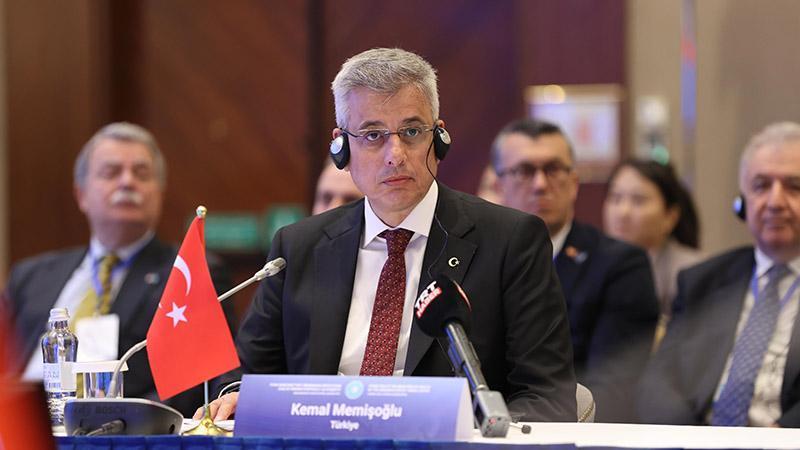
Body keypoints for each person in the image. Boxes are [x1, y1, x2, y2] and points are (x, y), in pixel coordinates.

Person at [200, 48, 577, 422]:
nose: (395, 155)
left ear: (439, 138)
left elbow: (546, 396)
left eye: (411, 132)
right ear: (341, 146)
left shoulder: (510, 241)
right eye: (372, 135)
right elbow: (246, 376)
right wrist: (233, 397)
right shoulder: (298, 247)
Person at [1, 122, 235, 417]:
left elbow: (189, 385)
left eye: (141, 173)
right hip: (18, 422)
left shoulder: (190, 273)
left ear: (159, 192)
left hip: (113, 429)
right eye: (111, 172)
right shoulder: (31, 276)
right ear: (81, 194)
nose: (127, 182)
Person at [491, 118, 659, 422]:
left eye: (553, 170)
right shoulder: (477, 261)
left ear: (574, 183)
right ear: (498, 186)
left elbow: (613, 388)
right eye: (524, 171)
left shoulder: (620, 265)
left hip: (573, 427)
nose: (540, 185)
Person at [639, 121, 800, 427]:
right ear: (741, 203)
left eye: (794, 187)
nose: (775, 202)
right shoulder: (702, 281)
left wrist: (777, 439)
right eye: (761, 186)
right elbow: (659, 384)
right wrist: (698, 442)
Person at [603, 159, 704, 346]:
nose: (622, 212)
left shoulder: (692, 271)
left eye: (638, 201)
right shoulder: (589, 262)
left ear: (670, 216)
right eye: (615, 198)